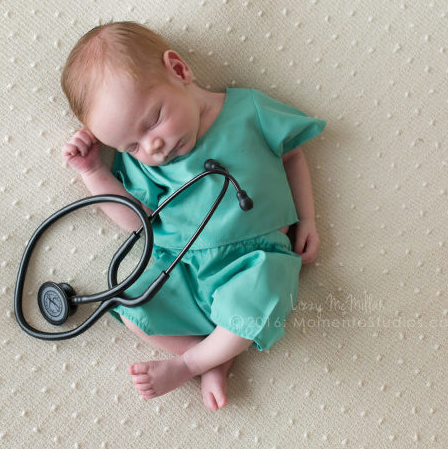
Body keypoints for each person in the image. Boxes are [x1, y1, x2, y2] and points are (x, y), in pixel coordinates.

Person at [60, 21, 325, 410]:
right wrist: (94, 172)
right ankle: (213, 356)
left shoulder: (248, 109)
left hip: (255, 260)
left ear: (180, 71)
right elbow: (138, 222)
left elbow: (293, 156)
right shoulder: (145, 166)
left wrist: (309, 220)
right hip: (182, 268)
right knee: (131, 304)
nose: (154, 146)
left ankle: (192, 363)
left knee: (266, 288)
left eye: (153, 121)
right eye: (131, 146)